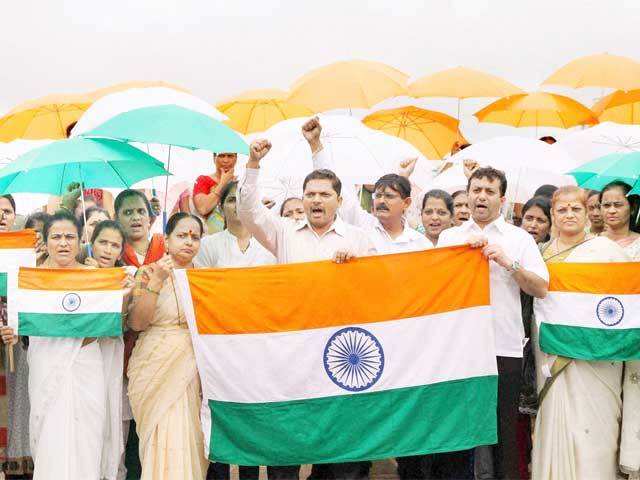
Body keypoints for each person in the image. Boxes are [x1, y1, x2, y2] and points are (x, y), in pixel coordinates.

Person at [238, 139, 375, 480]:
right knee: (287, 444)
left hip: (341, 354)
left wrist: (357, 268)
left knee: (341, 452)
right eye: (310, 193)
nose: (316, 200)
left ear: (339, 201)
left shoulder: (358, 239)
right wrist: (253, 164)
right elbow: (249, 213)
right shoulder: (283, 233)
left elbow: (378, 290)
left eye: (324, 194)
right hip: (293, 354)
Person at [1, 211, 130, 479]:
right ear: (45, 241)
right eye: (56, 237)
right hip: (45, 361)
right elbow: (19, 324)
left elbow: (103, 328)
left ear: (80, 239)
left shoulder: (94, 278)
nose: (63, 243)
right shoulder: (31, 279)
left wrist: (118, 296)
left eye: (69, 236)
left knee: (88, 435)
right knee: (49, 434)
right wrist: (11, 331)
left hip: (86, 363)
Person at [438, 167, 549, 480]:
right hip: (458, 349)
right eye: (476, 190)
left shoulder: (519, 238)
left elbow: (540, 287)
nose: (481, 196)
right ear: (467, 193)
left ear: (502, 199)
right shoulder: (450, 236)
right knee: (457, 430)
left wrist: (507, 263)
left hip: (504, 347)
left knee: (503, 433)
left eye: (488, 191)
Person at [531, 186, 634, 480]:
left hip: (598, 359)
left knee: (596, 438)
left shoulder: (609, 252)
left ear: (590, 213)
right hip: (553, 355)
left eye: (575, 208)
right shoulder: (539, 254)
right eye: (561, 210)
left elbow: (626, 302)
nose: (569, 215)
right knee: (556, 425)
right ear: (552, 215)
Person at [127, 212, 209, 480]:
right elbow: (138, 323)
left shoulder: (205, 278)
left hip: (191, 365)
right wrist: (158, 280)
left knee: (189, 433)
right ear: (168, 239)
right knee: (160, 433)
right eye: (182, 235)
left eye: (195, 237)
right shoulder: (148, 271)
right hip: (154, 363)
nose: (189, 242)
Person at [305, 116, 428, 254]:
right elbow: (330, 185)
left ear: (406, 203)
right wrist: (315, 145)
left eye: (389, 196)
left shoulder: (421, 244)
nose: (381, 201)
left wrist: (402, 177)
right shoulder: (363, 226)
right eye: (378, 195)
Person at [195, 181, 275, 269]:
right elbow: (202, 280)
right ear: (221, 209)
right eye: (232, 200)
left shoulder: (270, 245)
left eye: (244, 199)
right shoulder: (207, 245)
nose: (238, 204)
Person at [115, 190, 166, 268]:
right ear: (116, 219)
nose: (136, 217)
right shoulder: (113, 255)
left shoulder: (165, 249)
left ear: (149, 218)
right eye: (128, 212)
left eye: (141, 211)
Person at [193, 152, 238, 234]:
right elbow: (203, 208)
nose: (225, 160)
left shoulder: (240, 183)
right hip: (209, 236)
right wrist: (223, 183)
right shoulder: (203, 180)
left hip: (235, 235)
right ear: (214, 158)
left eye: (230, 156)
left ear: (236, 159)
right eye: (221, 156)